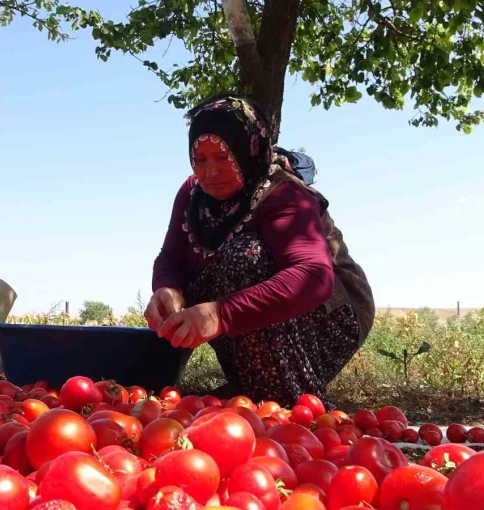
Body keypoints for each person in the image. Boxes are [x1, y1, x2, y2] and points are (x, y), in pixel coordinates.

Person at [145, 93, 375, 407]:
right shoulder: (192, 194)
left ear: (248, 150)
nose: (210, 172)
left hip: (331, 320)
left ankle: (289, 401)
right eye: (200, 159)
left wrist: (220, 313)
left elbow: (313, 277)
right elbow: (171, 257)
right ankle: (253, 392)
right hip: (257, 324)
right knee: (211, 271)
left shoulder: (286, 194)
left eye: (223, 157)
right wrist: (167, 289)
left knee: (244, 256)